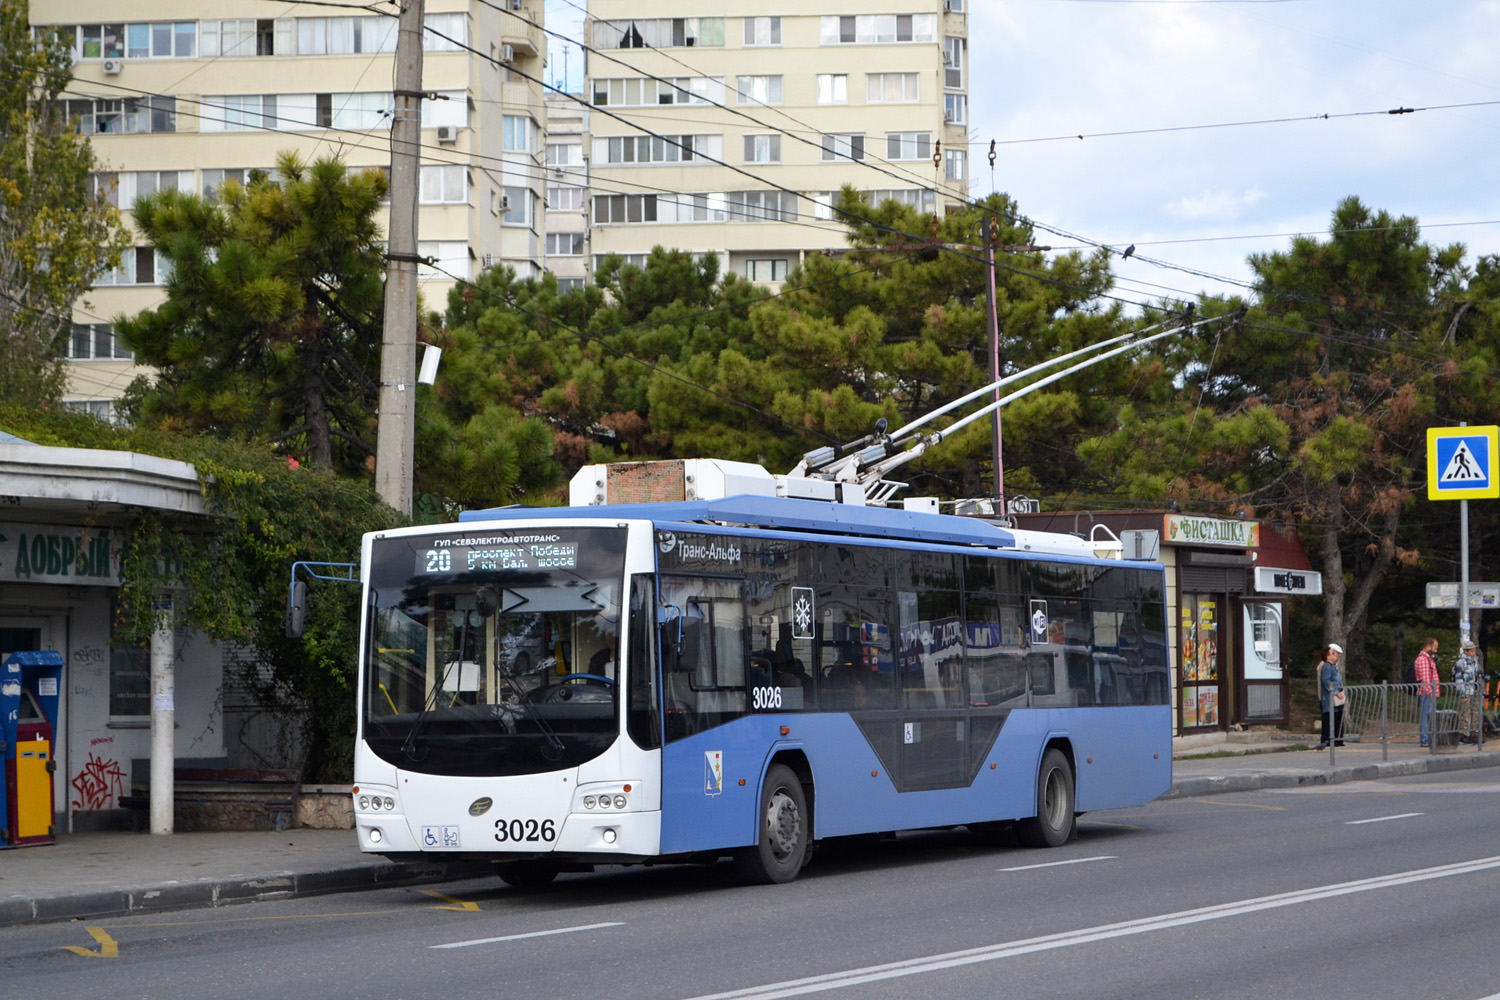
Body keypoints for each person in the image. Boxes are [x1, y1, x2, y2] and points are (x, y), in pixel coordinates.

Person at [1314, 643, 1345, 750]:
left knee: (1337, 717)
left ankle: (1337, 739)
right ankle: (1328, 740)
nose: (1336, 655)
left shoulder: (1333, 667)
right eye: (1333, 653)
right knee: (1329, 718)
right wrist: (1335, 692)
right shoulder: (1326, 666)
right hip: (1329, 697)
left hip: (1335, 696)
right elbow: (1326, 681)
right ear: (1327, 656)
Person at [1453, 639, 1481, 745]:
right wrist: (1462, 694)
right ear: (1466, 651)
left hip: (1474, 690)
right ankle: (1464, 734)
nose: (1474, 653)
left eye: (1474, 651)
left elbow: (1477, 675)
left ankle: (1473, 733)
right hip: (1467, 691)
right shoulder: (1461, 663)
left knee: (1475, 712)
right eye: (1472, 651)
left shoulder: (1474, 662)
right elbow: (1459, 679)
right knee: (1466, 712)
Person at [1414, 636, 1440, 747]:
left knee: (1428, 716)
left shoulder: (1426, 659)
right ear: (1428, 646)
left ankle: (1427, 738)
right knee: (1426, 716)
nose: (1436, 650)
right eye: (1435, 647)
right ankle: (1425, 739)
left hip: (1428, 693)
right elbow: (1425, 678)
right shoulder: (1424, 659)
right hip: (1427, 693)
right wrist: (1430, 692)